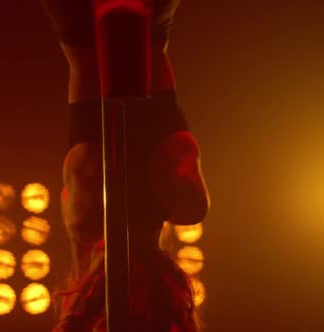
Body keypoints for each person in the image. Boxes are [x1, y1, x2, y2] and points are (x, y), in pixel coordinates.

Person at [41, 0, 211, 331]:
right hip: (98, 30)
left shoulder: (184, 199)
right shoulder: (86, 211)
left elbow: (152, 62)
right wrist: (82, 259)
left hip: (136, 28)